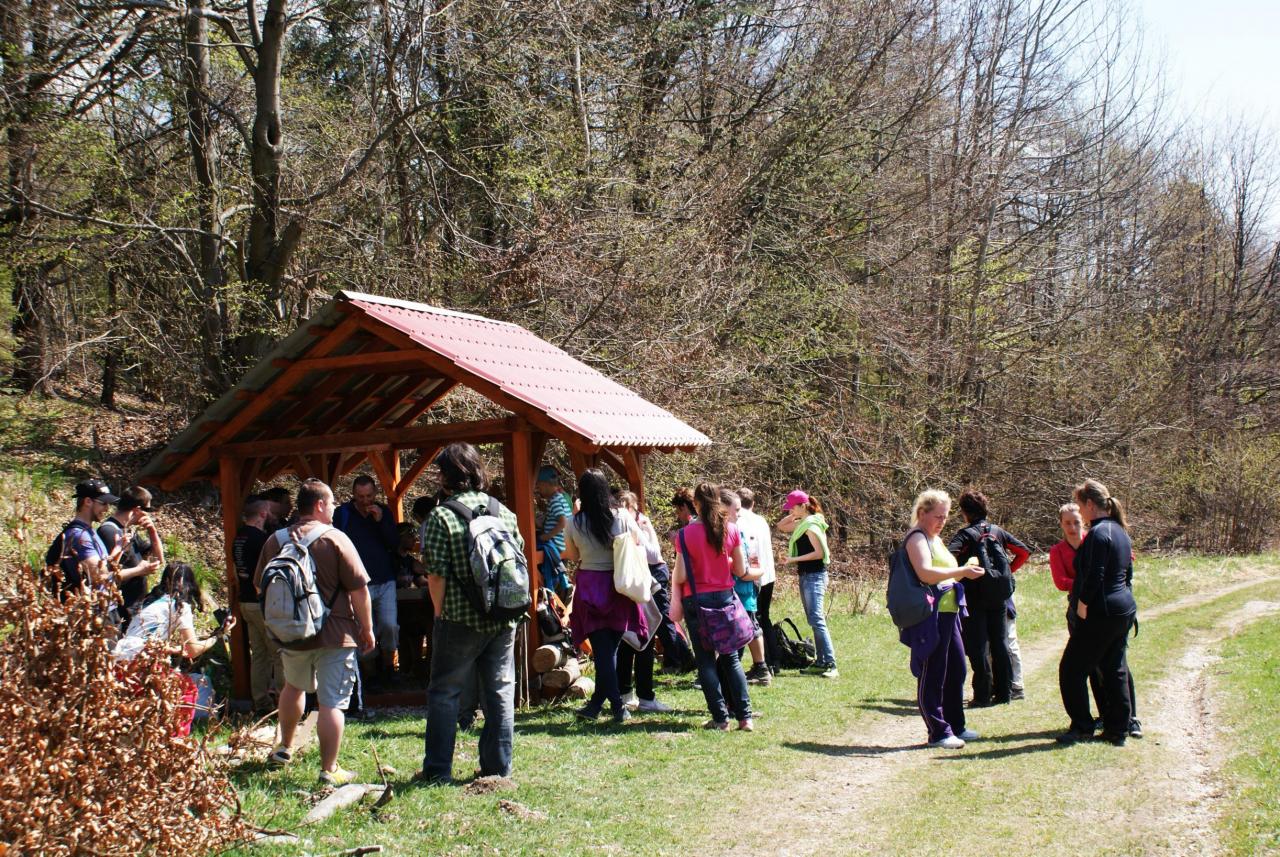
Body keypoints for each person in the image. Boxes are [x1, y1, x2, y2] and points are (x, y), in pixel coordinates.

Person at [255, 478, 376, 786]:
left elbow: (260, 587)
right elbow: (359, 590)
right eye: (332, 503)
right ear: (320, 505)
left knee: (293, 688)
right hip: (335, 633)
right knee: (331, 702)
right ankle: (329, 769)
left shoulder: (275, 540)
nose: (334, 508)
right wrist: (367, 628)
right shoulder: (336, 539)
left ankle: (284, 747)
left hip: (292, 633)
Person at [419, 443, 523, 784]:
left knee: (445, 692)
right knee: (500, 690)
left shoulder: (441, 517)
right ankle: (498, 768)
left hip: (459, 618)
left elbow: (436, 573)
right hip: (503, 615)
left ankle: (437, 771)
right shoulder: (503, 512)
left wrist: (439, 613)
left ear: (445, 476)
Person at [1057, 481, 1140, 746]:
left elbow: (1096, 574)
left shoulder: (1098, 533)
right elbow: (1127, 573)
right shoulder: (1120, 531)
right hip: (1123, 608)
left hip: (1101, 611)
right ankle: (1118, 729)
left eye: (1080, 506)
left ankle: (1082, 727)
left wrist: (1083, 603)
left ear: (1090, 504)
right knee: (1114, 667)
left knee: (1071, 669)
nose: (1080, 512)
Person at [901, 490, 986, 749]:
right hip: (930, 615)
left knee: (957, 669)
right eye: (938, 516)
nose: (942, 521)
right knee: (933, 672)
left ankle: (955, 725)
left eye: (946, 517)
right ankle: (937, 732)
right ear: (922, 513)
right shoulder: (917, 537)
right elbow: (925, 573)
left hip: (950, 612)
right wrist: (961, 571)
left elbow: (945, 573)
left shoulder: (935, 539)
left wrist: (965, 572)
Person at [563, 469, 649, 725]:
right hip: (618, 585)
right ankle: (601, 705)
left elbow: (573, 556)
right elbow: (638, 541)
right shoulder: (621, 516)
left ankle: (613, 706)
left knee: (604, 652)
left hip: (591, 585)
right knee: (608, 651)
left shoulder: (574, 522)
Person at [112, 562, 236, 737]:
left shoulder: (150, 601)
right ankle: (178, 737)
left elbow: (146, 639)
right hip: (141, 661)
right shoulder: (180, 606)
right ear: (190, 584)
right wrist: (218, 636)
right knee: (188, 689)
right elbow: (193, 650)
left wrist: (175, 650)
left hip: (120, 658)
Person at [670, 482, 753, 731]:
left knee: (705, 661)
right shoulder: (731, 529)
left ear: (695, 504)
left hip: (696, 600)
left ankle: (720, 718)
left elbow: (681, 574)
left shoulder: (685, 535)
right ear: (718, 501)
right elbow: (740, 569)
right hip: (725, 597)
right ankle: (745, 717)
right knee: (731, 659)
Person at [946, 490, 1030, 707]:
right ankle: (1004, 693)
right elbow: (1023, 552)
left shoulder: (965, 535)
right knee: (1000, 644)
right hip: (999, 597)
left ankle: (982, 695)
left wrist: (959, 573)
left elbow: (948, 557)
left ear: (965, 512)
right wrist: (1006, 573)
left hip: (974, 597)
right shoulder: (998, 532)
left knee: (979, 647)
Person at [334, 474, 400, 684]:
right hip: (357, 584)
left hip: (385, 579)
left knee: (389, 626)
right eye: (360, 496)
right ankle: (370, 675)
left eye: (369, 496)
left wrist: (381, 522)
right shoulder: (343, 514)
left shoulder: (384, 512)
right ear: (353, 494)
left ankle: (390, 667)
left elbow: (394, 544)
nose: (365, 501)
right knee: (363, 629)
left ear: (375, 493)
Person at [614, 490, 676, 713]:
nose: (626, 511)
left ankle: (638, 695)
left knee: (641, 637)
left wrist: (641, 529)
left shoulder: (638, 523)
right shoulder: (620, 523)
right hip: (629, 586)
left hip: (641, 584)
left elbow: (653, 554)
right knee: (632, 639)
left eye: (629, 507)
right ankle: (632, 695)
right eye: (621, 506)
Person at [777, 490, 837, 678]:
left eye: (793, 507)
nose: (791, 511)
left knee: (817, 620)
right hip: (806, 576)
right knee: (813, 619)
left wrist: (792, 559)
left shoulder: (811, 525)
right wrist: (793, 514)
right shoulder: (803, 522)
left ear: (803, 505)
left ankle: (830, 664)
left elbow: (819, 553)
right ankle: (820, 662)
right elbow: (781, 526)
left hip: (814, 576)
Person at [232, 496, 281, 713]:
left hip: (245, 602)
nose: (271, 515)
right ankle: (283, 703)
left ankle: (261, 702)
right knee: (278, 654)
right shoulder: (262, 540)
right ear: (262, 514)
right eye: (269, 511)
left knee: (259, 655)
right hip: (262, 603)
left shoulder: (238, 537)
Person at [96, 485, 164, 626]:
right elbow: (106, 575)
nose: (149, 515)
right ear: (137, 510)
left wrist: (152, 532)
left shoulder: (128, 531)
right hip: (119, 611)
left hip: (133, 609)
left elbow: (159, 558)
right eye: (147, 510)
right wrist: (140, 570)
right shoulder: (109, 531)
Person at [722, 489, 768, 686]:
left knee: (748, 627)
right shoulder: (724, 530)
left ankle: (759, 669)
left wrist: (756, 572)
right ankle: (755, 669)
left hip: (743, 589)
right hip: (734, 589)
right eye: (737, 510)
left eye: (739, 509)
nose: (739, 514)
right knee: (745, 628)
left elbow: (751, 557)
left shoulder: (739, 530)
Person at [48, 479, 117, 601]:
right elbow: (100, 577)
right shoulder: (79, 536)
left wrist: (119, 548)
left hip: (95, 606)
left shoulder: (89, 532)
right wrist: (139, 570)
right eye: (103, 503)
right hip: (81, 608)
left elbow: (104, 567)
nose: (107, 509)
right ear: (88, 501)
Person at [396, 521, 433, 681]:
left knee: (423, 622)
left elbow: (421, 581)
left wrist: (432, 576)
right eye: (410, 535)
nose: (415, 539)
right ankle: (404, 669)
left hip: (410, 610)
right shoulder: (389, 560)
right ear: (400, 538)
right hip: (395, 611)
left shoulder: (410, 561)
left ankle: (420, 668)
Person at [535, 466, 573, 600]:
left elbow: (562, 522)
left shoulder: (555, 501)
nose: (538, 490)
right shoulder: (560, 498)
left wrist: (546, 536)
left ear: (546, 484)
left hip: (556, 542)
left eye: (539, 486)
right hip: (564, 542)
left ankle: (551, 588)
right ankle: (563, 582)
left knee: (538, 545)